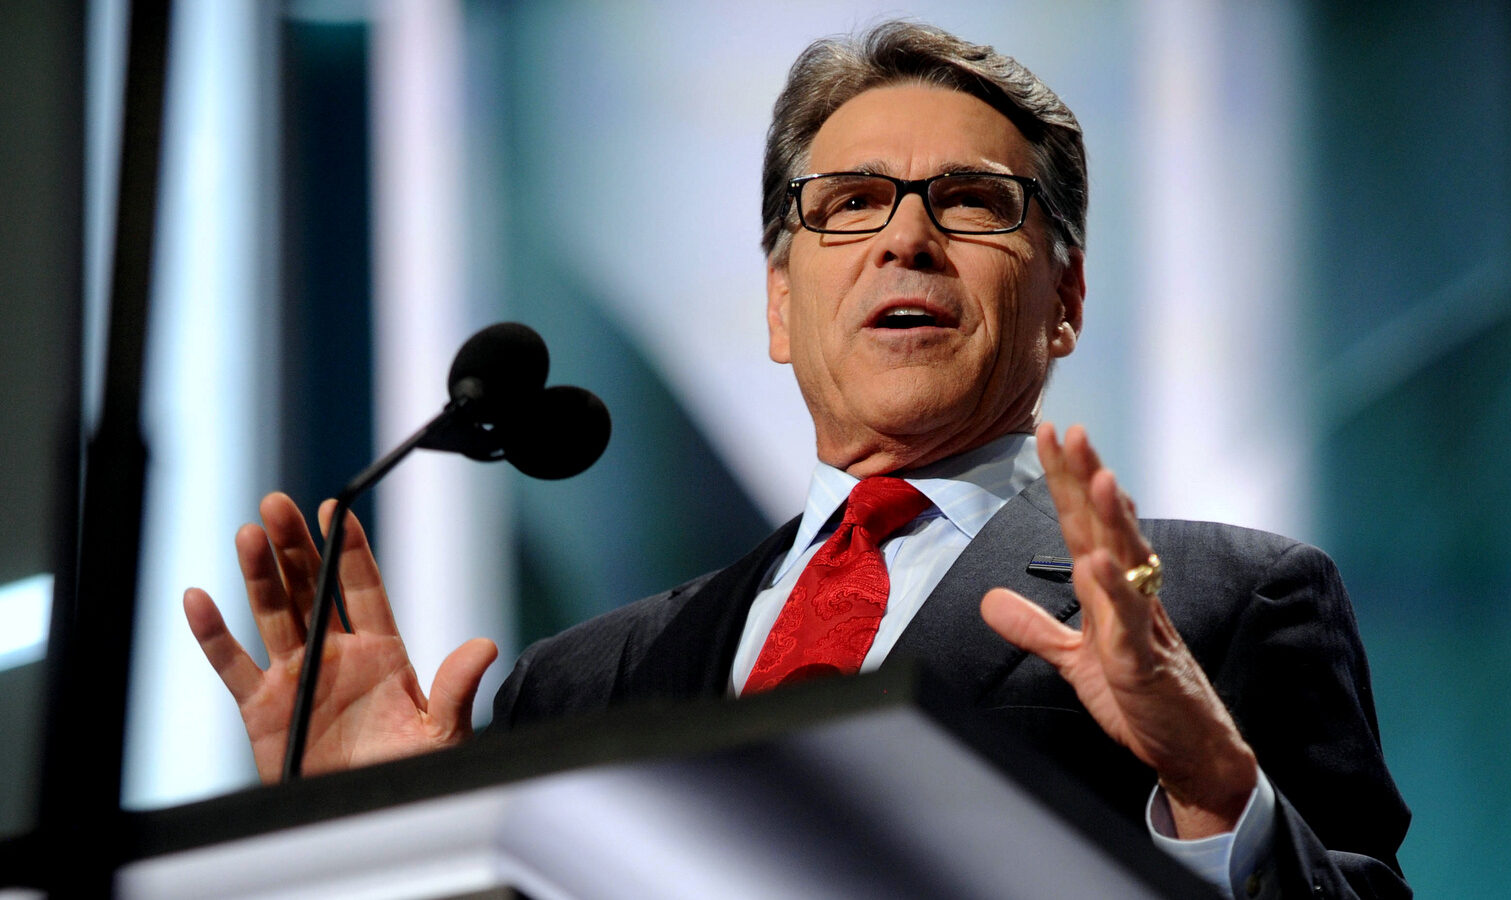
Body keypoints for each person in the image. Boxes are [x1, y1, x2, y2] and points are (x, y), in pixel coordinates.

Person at [183, 21, 1409, 899]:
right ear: (780, 303)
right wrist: (394, 853)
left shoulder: (1223, 602)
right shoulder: (582, 683)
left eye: (976, 202)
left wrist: (1207, 780)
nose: (909, 239)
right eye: (853, 202)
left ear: (1066, 298)